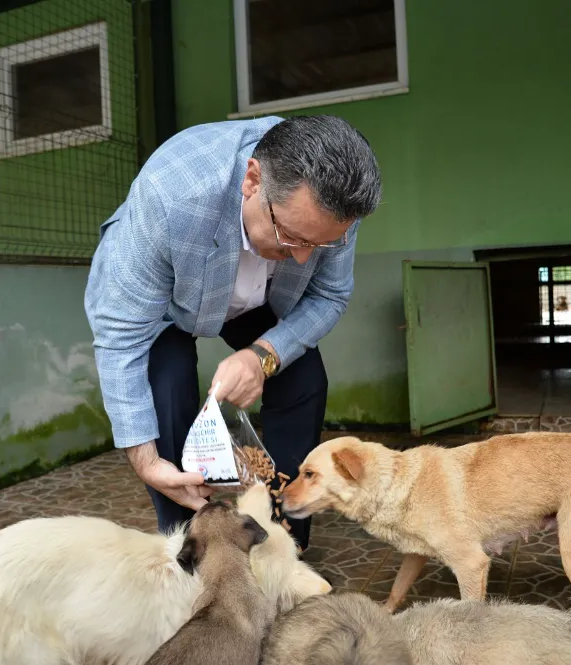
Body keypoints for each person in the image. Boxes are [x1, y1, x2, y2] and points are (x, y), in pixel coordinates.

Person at [83, 115, 382, 550]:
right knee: (167, 380)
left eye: (317, 246)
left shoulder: (333, 209)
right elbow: (122, 333)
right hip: (168, 296)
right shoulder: (172, 194)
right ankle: (189, 546)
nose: (302, 259)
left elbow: (329, 295)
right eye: (290, 237)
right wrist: (145, 461)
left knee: (304, 378)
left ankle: (282, 539)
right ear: (253, 181)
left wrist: (261, 355)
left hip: (259, 296)